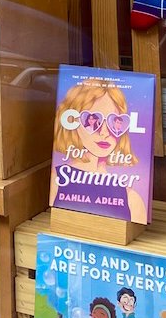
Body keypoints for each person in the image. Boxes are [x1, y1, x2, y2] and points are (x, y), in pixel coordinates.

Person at [51, 82, 147, 224]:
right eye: (93, 121)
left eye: (114, 121)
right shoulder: (56, 181)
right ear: (72, 121)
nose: (104, 132)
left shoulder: (131, 199)